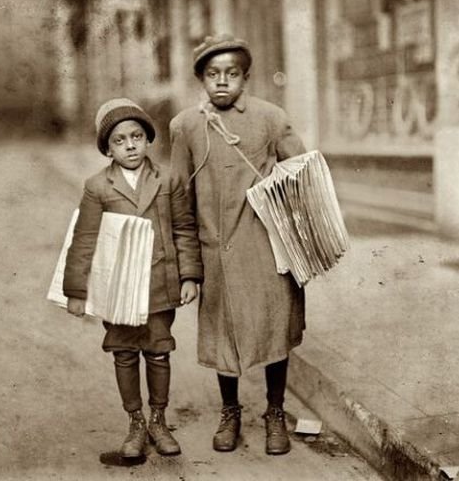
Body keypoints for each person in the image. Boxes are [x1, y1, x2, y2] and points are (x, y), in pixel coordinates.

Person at [169, 34, 306, 455]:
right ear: (201, 80)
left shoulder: (270, 118)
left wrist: (301, 237)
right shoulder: (186, 126)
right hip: (216, 254)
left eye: (232, 74)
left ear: (246, 77)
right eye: (213, 75)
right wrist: (189, 268)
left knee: (273, 332)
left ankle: (275, 412)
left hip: (267, 251)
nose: (222, 83)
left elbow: (302, 175)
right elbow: (179, 199)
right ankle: (230, 411)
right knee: (222, 337)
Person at [63, 98, 203, 458]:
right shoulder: (98, 187)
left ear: (148, 139)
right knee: (124, 353)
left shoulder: (168, 178)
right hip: (118, 288)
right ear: (107, 148)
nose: (129, 146)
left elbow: (185, 228)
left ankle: (158, 419)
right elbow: (84, 239)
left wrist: (189, 276)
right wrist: (76, 291)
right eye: (120, 140)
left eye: (136, 136)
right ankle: (136, 423)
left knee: (158, 352)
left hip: (159, 283)